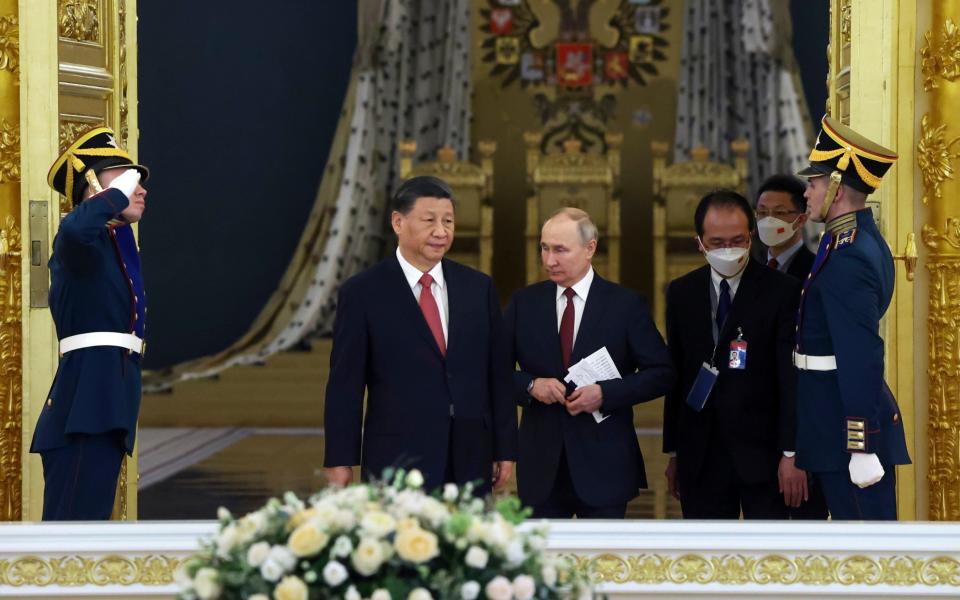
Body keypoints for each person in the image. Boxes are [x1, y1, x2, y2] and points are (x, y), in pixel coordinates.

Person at [324, 175, 517, 495]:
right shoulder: (363, 292)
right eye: (429, 221)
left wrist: (504, 447)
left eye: (449, 221)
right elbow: (346, 383)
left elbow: (497, 374)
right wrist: (340, 459)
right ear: (398, 222)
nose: (441, 232)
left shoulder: (477, 288)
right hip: (395, 457)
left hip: (468, 456)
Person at [504, 208, 673, 518]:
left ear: (589, 249)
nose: (549, 260)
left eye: (560, 250)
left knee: (604, 566)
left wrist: (606, 394)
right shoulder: (523, 304)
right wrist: (529, 385)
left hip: (605, 467)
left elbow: (662, 373)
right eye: (544, 248)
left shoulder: (625, 305)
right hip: (541, 470)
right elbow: (493, 371)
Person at [663, 190, 809, 519]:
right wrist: (674, 453)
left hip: (764, 455)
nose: (728, 249)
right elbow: (678, 374)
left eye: (738, 239)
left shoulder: (782, 291)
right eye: (717, 242)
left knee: (769, 561)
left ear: (751, 236)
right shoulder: (682, 292)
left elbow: (790, 377)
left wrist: (792, 452)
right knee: (706, 560)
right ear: (699, 242)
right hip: (700, 455)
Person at [794, 116, 910, 520]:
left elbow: (860, 356)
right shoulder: (847, 241)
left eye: (813, 183)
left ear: (837, 188)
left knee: (867, 558)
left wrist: (860, 444)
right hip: (828, 423)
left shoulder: (850, 257)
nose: (806, 191)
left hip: (845, 433)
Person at [30, 126, 149, 520]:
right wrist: (113, 196)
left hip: (107, 399)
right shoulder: (80, 242)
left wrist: (117, 192)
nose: (139, 187)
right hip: (85, 405)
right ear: (93, 186)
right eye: (126, 178)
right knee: (68, 542)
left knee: (88, 538)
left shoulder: (116, 241)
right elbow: (77, 228)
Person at [755, 174, 815, 279]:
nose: (769, 221)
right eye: (762, 212)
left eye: (779, 212)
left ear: (801, 220)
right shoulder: (752, 271)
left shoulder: (817, 270)